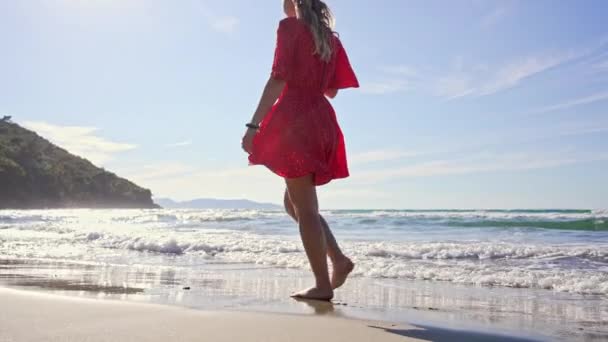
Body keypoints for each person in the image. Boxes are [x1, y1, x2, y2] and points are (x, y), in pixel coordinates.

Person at [241, 0, 359, 301]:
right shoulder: (330, 39)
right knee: (294, 204)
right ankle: (339, 260)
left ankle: (322, 284)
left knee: (305, 208)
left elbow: (278, 77)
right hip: (322, 119)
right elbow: (331, 89)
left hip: (295, 120)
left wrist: (253, 126)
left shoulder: (289, 27)